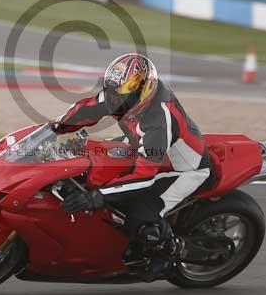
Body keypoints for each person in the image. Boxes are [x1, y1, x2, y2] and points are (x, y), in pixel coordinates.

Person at [50, 53, 215, 278]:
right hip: (145, 150)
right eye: (112, 94)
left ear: (143, 92)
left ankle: (168, 251)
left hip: (183, 169)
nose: (114, 103)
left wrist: (96, 197)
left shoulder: (157, 120)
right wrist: (56, 127)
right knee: (90, 163)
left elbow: (144, 177)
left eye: (122, 98)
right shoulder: (120, 95)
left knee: (138, 214)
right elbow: (88, 109)